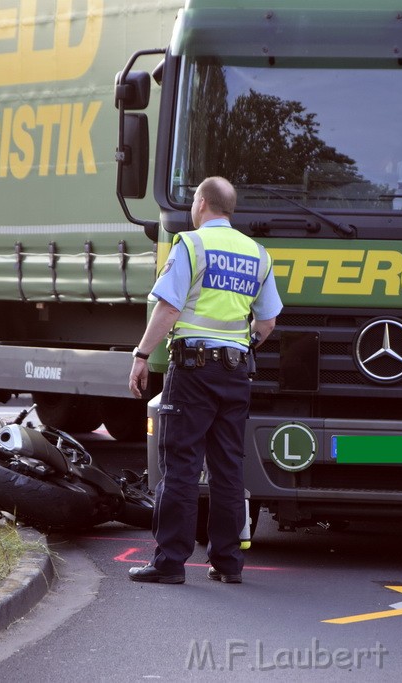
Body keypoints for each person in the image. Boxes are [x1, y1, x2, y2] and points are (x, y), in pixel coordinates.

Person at [127, 176, 282, 584]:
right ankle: (228, 564)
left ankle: (170, 563)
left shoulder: (191, 245)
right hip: (236, 372)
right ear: (230, 210)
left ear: (200, 204)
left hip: (193, 371)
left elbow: (167, 308)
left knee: (180, 465)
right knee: (228, 469)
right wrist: (239, 346)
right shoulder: (257, 254)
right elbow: (267, 321)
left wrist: (142, 355)